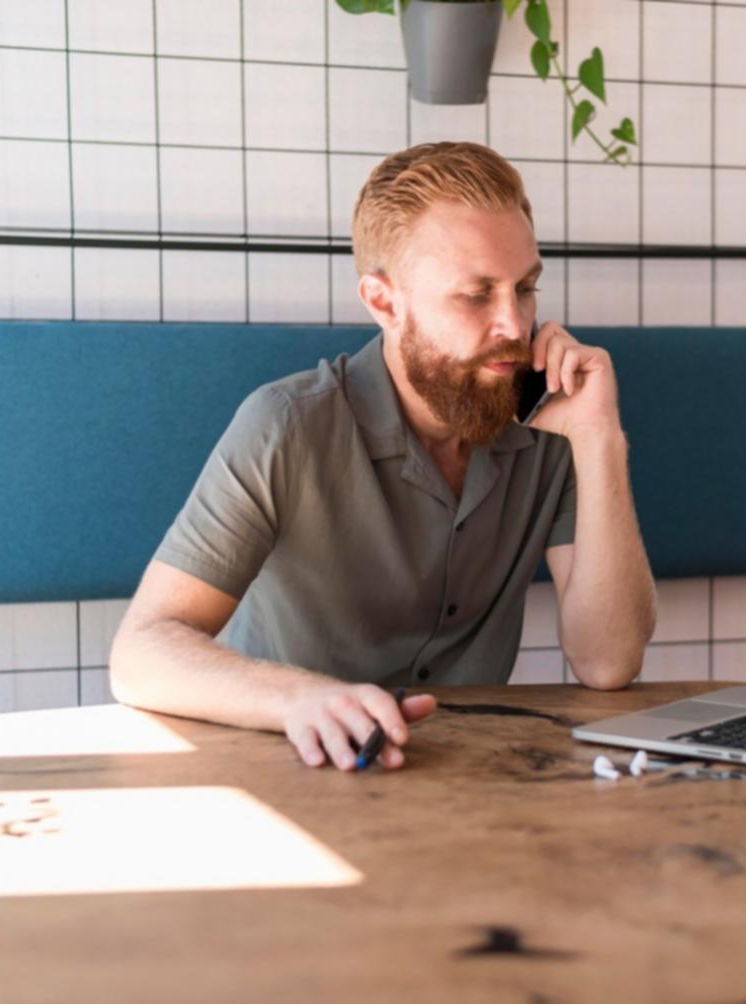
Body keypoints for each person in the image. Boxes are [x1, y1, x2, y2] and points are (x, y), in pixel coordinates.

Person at [109, 141, 657, 771]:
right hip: (292, 767)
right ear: (384, 302)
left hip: (475, 778)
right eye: (476, 295)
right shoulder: (286, 426)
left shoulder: (552, 428)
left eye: (525, 288)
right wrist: (302, 699)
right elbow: (142, 650)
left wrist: (600, 439)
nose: (515, 324)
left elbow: (608, 663)